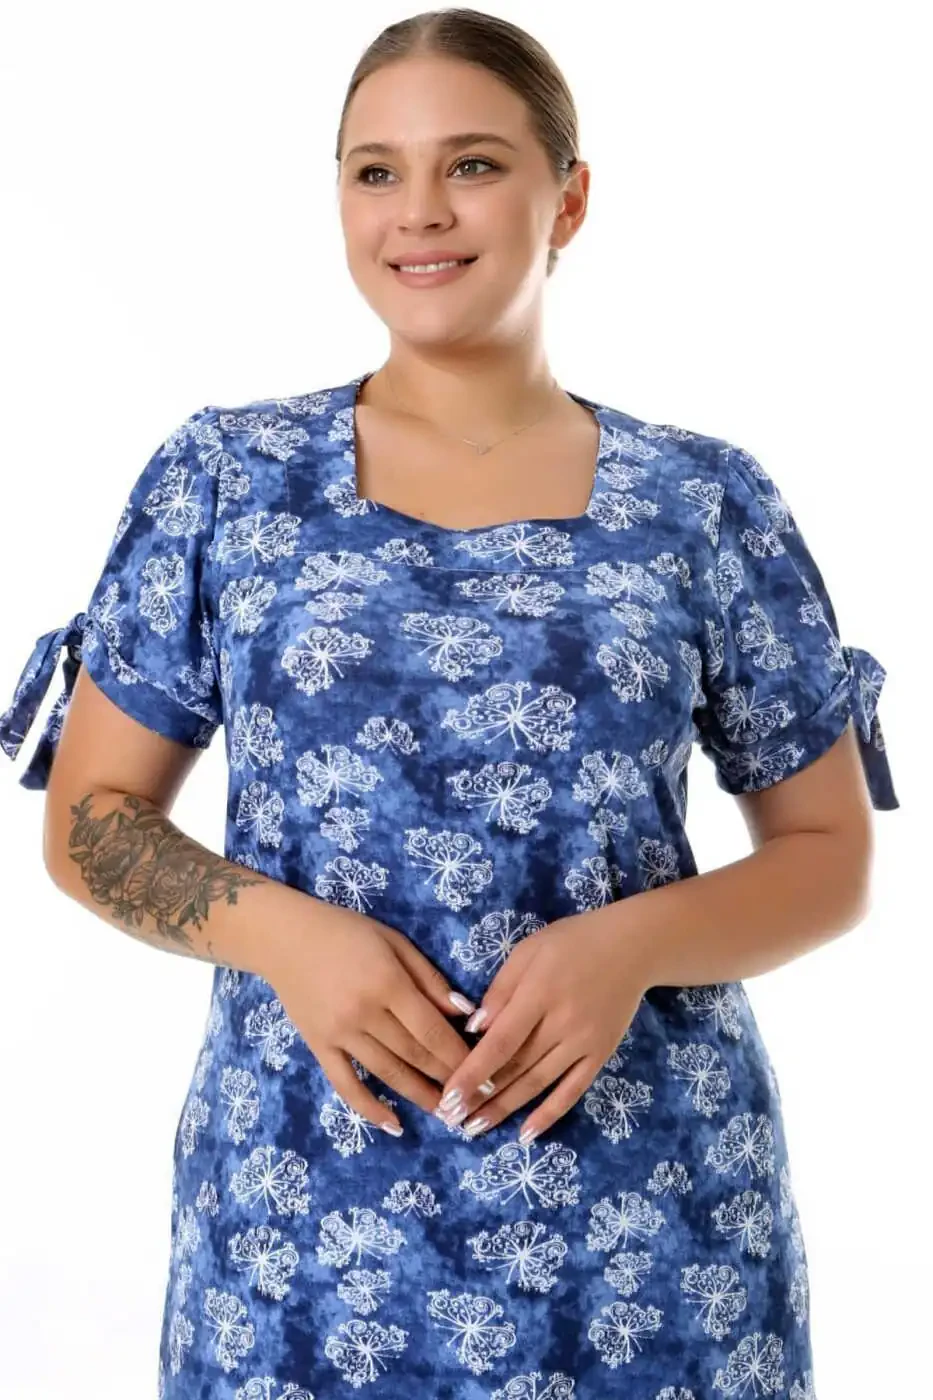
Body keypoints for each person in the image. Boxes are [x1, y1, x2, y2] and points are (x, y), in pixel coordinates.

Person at [0, 8, 899, 1398]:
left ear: (569, 198)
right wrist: (288, 938)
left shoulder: (703, 501)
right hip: (299, 1235)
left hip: (654, 1240)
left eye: (472, 164)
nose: (418, 210)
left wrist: (626, 948)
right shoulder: (229, 478)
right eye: (376, 171)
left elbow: (828, 854)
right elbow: (91, 818)